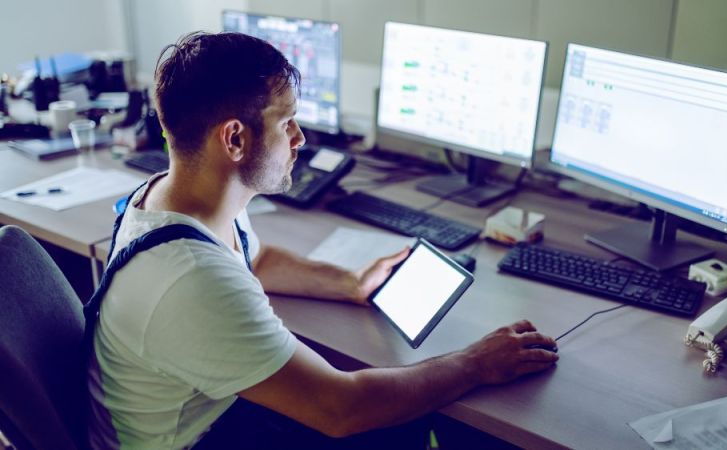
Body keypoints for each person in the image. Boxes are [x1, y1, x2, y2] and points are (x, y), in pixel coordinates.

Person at [86, 31, 559, 450]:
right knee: (404, 419)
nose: (300, 137)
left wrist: (350, 282)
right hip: (195, 440)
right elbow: (341, 409)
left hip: (201, 412)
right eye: (286, 121)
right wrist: (475, 363)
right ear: (234, 139)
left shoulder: (172, 197)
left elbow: (253, 260)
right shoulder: (191, 276)